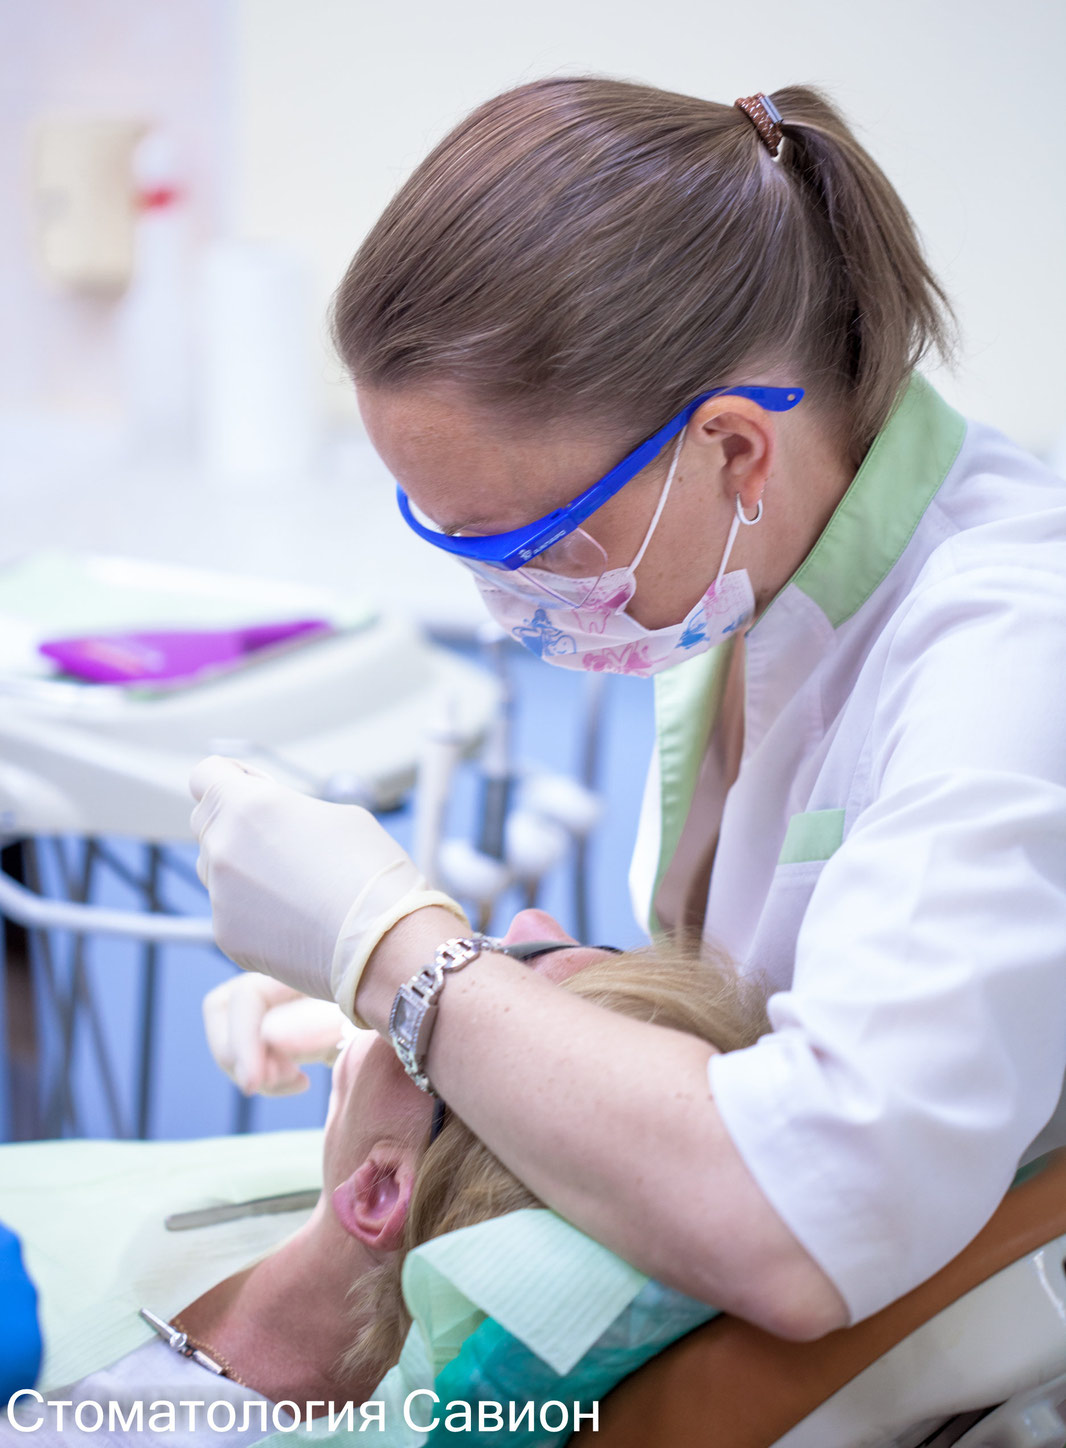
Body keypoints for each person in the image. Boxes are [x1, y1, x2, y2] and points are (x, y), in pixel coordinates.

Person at [191, 77, 1066, 1343]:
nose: (512, 605)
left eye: (537, 543)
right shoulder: (745, 570)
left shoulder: (1013, 648)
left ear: (732, 449)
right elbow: (769, 1010)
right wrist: (454, 1030)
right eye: (461, 544)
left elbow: (814, 1213)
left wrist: (405, 965)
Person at [1, 921, 764, 1446]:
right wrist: (390, 1033)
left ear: (377, 1195)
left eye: (508, 973)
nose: (526, 918)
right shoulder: (365, 1189)